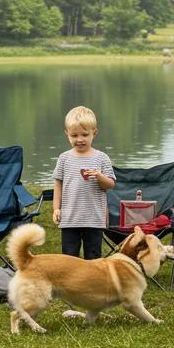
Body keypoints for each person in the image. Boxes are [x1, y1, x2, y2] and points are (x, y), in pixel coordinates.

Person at [52, 105, 116, 260]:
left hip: (94, 219)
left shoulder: (102, 158)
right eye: (74, 135)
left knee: (93, 257)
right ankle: (70, 284)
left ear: (94, 133)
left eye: (85, 135)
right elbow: (58, 184)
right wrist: (56, 209)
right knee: (69, 257)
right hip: (69, 218)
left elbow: (110, 185)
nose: (79, 139)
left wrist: (100, 176)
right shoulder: (64, 158)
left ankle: (93, 283)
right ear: (67, 134)